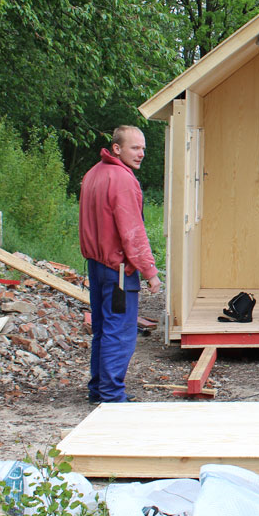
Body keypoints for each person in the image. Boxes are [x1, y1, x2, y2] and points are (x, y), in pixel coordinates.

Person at [79, 125, 161, 403]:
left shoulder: (93, 174)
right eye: (135, 148)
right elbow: (132, 232)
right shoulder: (123, 180)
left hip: (96, 266)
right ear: (117, 148)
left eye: (143, 148)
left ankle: (98, 390)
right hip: (118, 272)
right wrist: (150, 271)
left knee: (103, 330)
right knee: (120, 332)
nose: (141, 154)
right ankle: (112, 396)